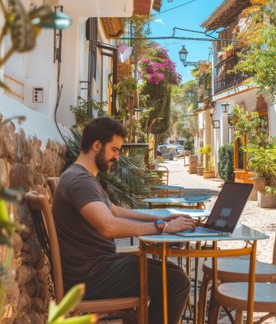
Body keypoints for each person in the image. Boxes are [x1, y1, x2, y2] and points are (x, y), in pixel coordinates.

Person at [52, 117, 196, 324]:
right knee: (177, 282)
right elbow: (108, 226)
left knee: (173, 272)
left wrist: (160, 218)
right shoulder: (80, 181)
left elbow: (115, 211)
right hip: (90, 278)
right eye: (114, 150)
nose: (117, 157)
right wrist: (162, 227)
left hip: (97, 269)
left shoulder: (82, 177)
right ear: (96, 145)